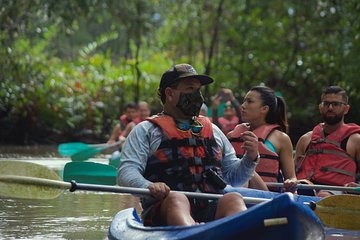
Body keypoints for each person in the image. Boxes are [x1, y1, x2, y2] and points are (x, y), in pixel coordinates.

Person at [117, 63, 260, 226]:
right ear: (169, 94)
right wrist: (148, 186)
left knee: (233, 198)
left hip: (209, 207)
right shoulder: (146, 131)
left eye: (198, 90)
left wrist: (250, 157)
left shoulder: (213, 130)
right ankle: (192, 233)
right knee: (176, 197)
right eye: (190, 89)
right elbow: (126, 173)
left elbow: (235, 178)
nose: (197, 96)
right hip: (165, 208)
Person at [227, 86, 297, 192]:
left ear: (264, 109)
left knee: (245, 169)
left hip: (265, 198)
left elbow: (291, 177)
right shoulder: (231, 135)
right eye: (244, 101)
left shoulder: (281, 139)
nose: (243, 106)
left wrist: (291, 182)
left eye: (249, 102)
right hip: (232, 191)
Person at [295, 86, 360, 197]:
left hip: (338, 192)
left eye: (335, 104)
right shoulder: (306, 139)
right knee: (290, 193)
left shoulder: (355, 140)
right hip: (304, 187)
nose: (330, 108)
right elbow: (291, 173)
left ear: (346, 109)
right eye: (326, 104)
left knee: (323, 195)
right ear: (321, 108)